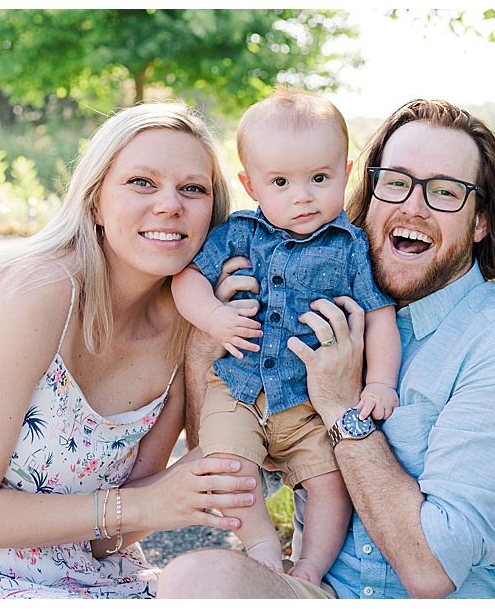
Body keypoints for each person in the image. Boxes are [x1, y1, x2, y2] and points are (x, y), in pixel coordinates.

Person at [158, 99, 495, 599]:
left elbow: (430, 571)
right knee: (195, 580)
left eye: (445, 192)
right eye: (397, 182)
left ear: (480, 223)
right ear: (371, 188)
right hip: (325, 595)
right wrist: (213, 332)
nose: (413, 207)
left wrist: (341, 407)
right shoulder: (322, 298)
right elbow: (221, 457)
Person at [0, 102, 262, 599]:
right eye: (142, 182)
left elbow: (108, 542)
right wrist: (143, 506)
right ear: (95, 201)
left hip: (101, 581)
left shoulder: (187, 327)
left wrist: (216, 459)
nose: (170, 204)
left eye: (193, 188)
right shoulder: (37, 291)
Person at [170, 90, 399, 584]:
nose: (302, 196)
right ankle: (262, 545)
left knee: (331, 484)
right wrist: (213, 317)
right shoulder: (238, 233)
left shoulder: (350, 246)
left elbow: (379, 315)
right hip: (239, 389)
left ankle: (310, 568)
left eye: (319, 178)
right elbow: (185, 279)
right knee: (226, 467)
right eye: (280, 182)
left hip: (310, 405)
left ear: (346, 170)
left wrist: (380, 382)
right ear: (250, 185)